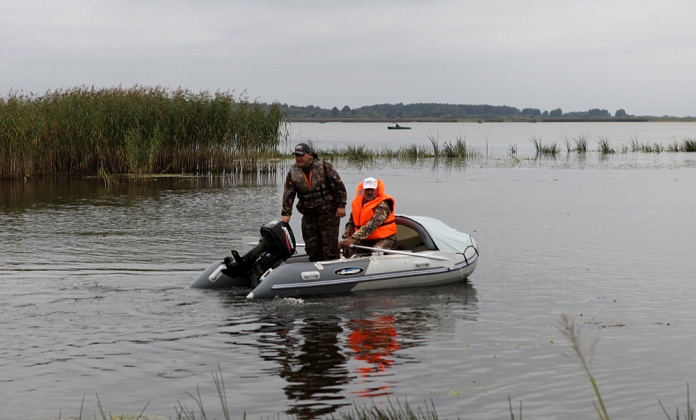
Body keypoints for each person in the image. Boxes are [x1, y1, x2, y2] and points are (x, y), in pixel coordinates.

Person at [281, 143, 347, 261]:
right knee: (312, 248)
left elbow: (338, 186)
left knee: (329, 248)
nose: (299, 158)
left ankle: (333, 267)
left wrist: (341, 205)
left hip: (328, 213)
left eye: (301, 155)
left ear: (310, 155)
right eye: (296, 156)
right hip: (308, 215)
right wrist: (286, 213)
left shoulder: (323, 166)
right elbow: (288, 193)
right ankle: (315, 268)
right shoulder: (293, 172)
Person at [341, 177, 397, 256]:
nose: (370, 192)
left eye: (372, 190)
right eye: (367, 190)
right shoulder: (359, 204)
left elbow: (371, 226)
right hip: (365, 239)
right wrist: (346, 238)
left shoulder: (383, 205)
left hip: (385, 238)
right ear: (363, 190)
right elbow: (351, 223)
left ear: (377, 190)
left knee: (376, 251)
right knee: (347, 248)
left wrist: (353, 238)